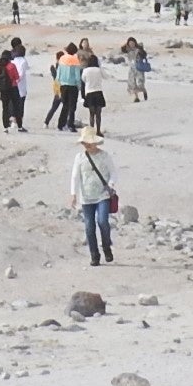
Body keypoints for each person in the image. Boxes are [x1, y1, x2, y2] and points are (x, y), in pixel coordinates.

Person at [67, 129, 118, 264]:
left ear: (95, 142)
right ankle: (94, 255)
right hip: (86, 198)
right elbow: (75, 177)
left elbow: (113, 173)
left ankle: (106, 247)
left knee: (102, 221)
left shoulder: (105, 156)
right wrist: (73, 194)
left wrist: (110, 185)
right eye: (85, 142)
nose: (87, 145)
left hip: (103, 195)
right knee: (89, 227)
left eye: (89, 142)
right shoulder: (79, 157)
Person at [0, 48, 24, 132]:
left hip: (3, 90)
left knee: (5, 109)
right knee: (17, 108)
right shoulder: (12, 66)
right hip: (13, 88)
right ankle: (20, 127)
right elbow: (16, 77)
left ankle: (5, 128)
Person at [53, 47, 83, 131]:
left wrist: (58, 84)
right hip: (72, 86)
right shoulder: (75, 60)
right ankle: (70, 124)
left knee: (65, 105)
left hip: (63, 85)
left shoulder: (62, 59)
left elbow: (58, 74)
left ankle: (60, 124)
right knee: (72, 106)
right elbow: (77, 76)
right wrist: (79, 85)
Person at [79, 50, 108, 134]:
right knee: (98, 114)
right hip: (98, 92)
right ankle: (98, 131)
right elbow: (106, 76)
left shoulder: (86, 70)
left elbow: (83, 79)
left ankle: (92, 131)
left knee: (91, 114)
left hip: (90, 93)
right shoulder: (98, 70)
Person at [121, 37, 150, 103]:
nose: (131, 44)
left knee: (140, 83)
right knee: (132, 83)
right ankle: (136, 97)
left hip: (139, 68)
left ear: (135, 43)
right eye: (130, 43)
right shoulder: (128, 50)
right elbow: (122, 49)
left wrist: (140, 49)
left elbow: (144, 55)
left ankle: (144, 91)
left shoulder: (138, 49)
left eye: (133, 43)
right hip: (132, 68)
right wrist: (126, 43)